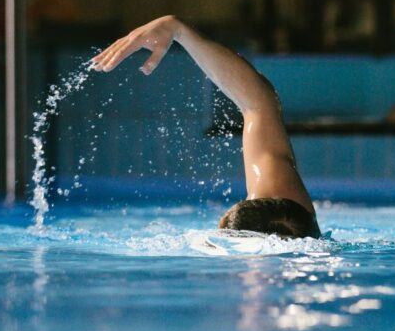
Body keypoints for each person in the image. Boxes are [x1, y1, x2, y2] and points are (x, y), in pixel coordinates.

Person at [92, 15, 320, 238]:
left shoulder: (248, 251)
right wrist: (177, 30)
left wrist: (178, 30)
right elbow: (259, 105)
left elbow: (259, 104)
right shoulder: (292, 228)